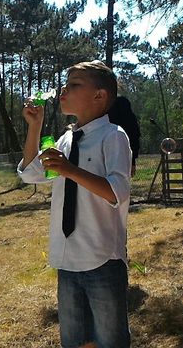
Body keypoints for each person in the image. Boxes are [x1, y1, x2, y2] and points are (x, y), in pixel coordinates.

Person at [18, 60, 132, 348]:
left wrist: (69, 170)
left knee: (110, 341)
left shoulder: (114, 136)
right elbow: (31, 172)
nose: (63, 91)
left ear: (100, 96)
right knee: (76, 340)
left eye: (74, 85)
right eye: (65, 84)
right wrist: (35, 127)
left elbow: (116, 192)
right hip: (67, 259)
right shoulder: (67, 139)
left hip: (102, 258)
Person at [108, 95, 141, 177]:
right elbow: (134, 136)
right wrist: (132, 161)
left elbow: (134, 135)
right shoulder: (124, 106)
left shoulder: (105, 107)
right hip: (123, 154)